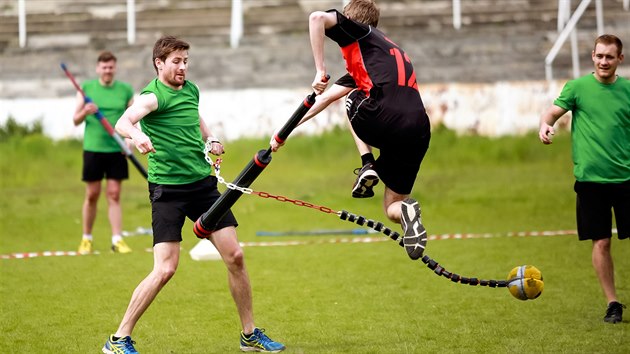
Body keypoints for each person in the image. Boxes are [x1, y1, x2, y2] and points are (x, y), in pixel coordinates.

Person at [103, 36, 285, 353]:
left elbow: (195, 117)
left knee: (236, 257)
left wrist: (211, 138)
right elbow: (123, 121)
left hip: (202, 186)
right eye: (176, 61)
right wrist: (137, 135)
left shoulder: (190, 89)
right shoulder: (151, 96)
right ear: (159, 63)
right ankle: (119, 338)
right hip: (168, 191)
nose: (183, 67)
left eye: (186, 60)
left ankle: (249, 333)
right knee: (165, 269)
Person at [270, 0, 431, 261]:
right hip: (419, 130)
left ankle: (367, 163)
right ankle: (407, 213)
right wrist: (283, 132)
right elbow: (320, 100)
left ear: (350, 21)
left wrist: (320, 69)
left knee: (354, 96)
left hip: (384, 115)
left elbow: (316, 19)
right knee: (391, 204)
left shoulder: (361, 32)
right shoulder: (379, 56)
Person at [539, 34, 629, 324]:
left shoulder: (628, 91)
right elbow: (551, 113)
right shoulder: (577, 88)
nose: (604, 61)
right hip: (591, 181)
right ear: (593, 56)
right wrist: (545, 127)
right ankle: (613, 303)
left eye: (610, 57)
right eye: (599, 55)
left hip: (626, 179)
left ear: (620, 60)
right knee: (601, 242)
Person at [73, 51, 134, 254]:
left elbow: (132, 118)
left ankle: (117, 240)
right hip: (93, 149)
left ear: (114, 68)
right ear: (98, 68)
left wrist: (129, 139)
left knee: (114, 194)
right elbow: (75, 120)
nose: (107, 70)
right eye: (104, 67)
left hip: (116, 149)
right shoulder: (86, 89)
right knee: (92, 194)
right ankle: (86, 239)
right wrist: (85, 111)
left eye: (111, 67)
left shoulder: (125, 90)